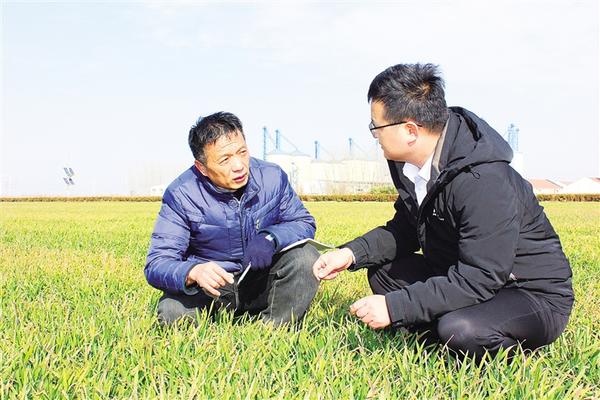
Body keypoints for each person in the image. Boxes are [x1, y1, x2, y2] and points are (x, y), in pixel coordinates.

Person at [313, 64, 574, 360]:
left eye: (377, 127)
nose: (375, 136)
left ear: (410, 130)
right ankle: (440, 336)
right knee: (384, 273)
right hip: (461, 271)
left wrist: (396, 308)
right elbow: (406, 229)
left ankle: (492, 344)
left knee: (459, 329)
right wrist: (350, 254)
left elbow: (482, 275)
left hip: (526, 293)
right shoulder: (411, 166)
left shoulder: (483, 180)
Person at [145, 111, 320, 326]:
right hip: (212, 288)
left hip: (261, 279)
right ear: (202, 167)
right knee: (173, 312)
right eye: (225, 159)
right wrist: (193, 272)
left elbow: (303, 222)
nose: (239, 165)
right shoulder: (181, 194)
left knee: (306, 257)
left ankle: (273, 331)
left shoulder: (272, 176)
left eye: (242, 152)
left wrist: (271, 238)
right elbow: (157, 263)